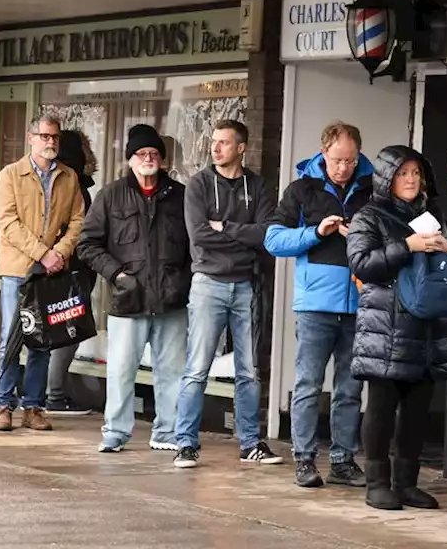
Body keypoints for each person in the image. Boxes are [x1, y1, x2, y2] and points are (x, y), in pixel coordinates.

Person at [346, 145, 447, 511]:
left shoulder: (434, 214)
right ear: (386, 178)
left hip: (428, 326)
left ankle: (407, 483)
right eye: (403, 173)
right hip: (387, 326)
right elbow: (362, 263)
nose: (411, 180)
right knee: (382, 407)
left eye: (416, 173)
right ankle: (378, 483)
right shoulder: (369, 216)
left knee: (417, 409)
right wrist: (407, 246)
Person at [265, 121, 372, 489]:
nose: (344, 168)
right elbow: (274, 240)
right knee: (309, 383)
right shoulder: (301, 190)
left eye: (351, 160)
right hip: (315, 304)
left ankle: (343, 461)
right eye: (338, 160)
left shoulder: (371, 190)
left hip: (360, 302)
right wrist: (316, 232)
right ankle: (304, 459)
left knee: (350, 387)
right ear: (323, 152)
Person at [173, 119, 281, 469]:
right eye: (214, 142)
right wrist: (240, 235)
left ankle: (251, 442)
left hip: (247, 284)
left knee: (249, 368)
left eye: (223, 142)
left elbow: (265, 233)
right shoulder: (199, 184)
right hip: (208, 282)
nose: (215, 148)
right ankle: (185, 444)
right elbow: (199, 236)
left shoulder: (258, 186)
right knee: (197, 367)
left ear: (241, 147)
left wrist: (228, 227)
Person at [77, 124, 189, 452]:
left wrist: (182, 281)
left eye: (154, 153)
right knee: (122, 371)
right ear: (130, 159)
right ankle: (115, 432)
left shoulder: (181, 196)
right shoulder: (111, 195)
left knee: (172, 372)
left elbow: (195, 247)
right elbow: (88, 244)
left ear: (163, 159)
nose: (149, 158)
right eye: (142, 153)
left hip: (171, 301)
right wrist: (117, 276)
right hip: (128, 299)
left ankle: (167, 432)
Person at [0, 114, 85, 432]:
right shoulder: (10, 175)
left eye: (54, 137)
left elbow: (77, 220)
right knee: (12, 338)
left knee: (42, 341)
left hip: (50, 271)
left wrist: (60, 252)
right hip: (18, 269)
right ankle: (3, 405)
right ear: (30, 138)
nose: (50, 142)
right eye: (44, 136)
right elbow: (7, 223)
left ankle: (33, 407)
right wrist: (43, 253)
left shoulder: (68, 177)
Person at [46, 128, 98, 416]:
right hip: (72, 268)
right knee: (68, 328)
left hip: (58, 265)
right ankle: (55, 394)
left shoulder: (55, 181)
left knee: (56, 328)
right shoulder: (74, 186)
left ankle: (45, 392)